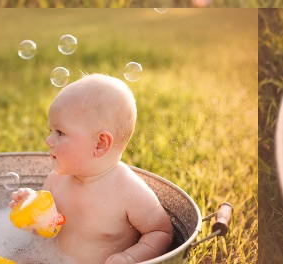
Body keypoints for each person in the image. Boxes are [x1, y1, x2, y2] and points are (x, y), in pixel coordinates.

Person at [10, 74, 174, 264]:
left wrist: (130, 257)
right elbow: (45, 231)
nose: (48, 140)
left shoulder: (129, 192)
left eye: (60, 132)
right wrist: (31, 211)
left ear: (100, 144)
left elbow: (161, 232)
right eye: (50, 131)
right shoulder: (56, 180)